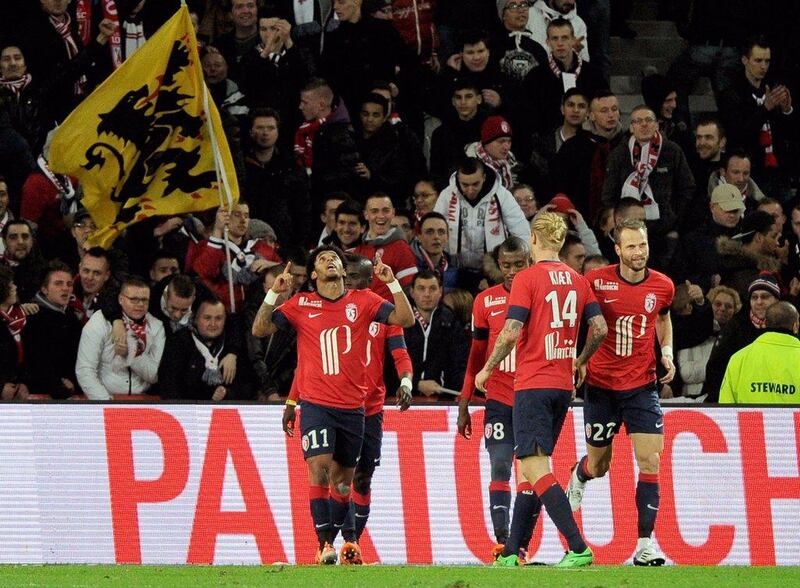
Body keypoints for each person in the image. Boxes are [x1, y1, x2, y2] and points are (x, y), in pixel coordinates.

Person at [251, 244, 414, 565]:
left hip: (356, 406)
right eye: (323, 259)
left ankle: (341, 538)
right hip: (316, 404)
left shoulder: (365, 301)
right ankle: (325, 545)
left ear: (344, 271)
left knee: (344, 483)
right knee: (319, 471)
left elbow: (404, 319)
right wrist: (274, 293)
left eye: (335, 259)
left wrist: (392, 283)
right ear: (313, 274)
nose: (331, 262)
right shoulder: (301, 303)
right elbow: (260, 329)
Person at [480, 211, 607, 568]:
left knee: (534, 468)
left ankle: (577, 545)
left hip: (533, 383)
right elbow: (598, 329)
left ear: (534, 240)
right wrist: (580, 360)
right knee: (530, 471)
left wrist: (488, 369)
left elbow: (511, 330)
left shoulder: (527, 278)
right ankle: (511, 553)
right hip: (562, 386)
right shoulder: (578, 281)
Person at [566, 218, 676, 567]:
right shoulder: (596, 282)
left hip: (642, 386)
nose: (638, 252)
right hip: (601, 386)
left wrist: (667, 352)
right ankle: (580, 473)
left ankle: (645, 545)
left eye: (642, 245)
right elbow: (577, 320)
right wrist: (577, 359)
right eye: (631, 246)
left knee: (650, 460)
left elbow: (662, 317)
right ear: (617, 250)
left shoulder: (663, 286)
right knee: (600, 466)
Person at [295, 254, 413, 562]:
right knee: (330, 474)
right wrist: (293, 399)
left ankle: (345, 541)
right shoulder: (333, 309)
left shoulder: (374, 309)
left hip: (370, 408)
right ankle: (342, 542)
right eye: (347, 278)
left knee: (360, 479)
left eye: (357, 279)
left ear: (368, 282)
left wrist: (406, 381)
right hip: (334, 402)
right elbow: (309, 361)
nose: (350, 284)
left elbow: (400, 354)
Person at [458, 236, 532, 559]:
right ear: (498, 265)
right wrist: (464, 403)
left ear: (529, 262)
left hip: (534, 398)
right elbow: (476, 356)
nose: (513, 271)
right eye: (507, 265)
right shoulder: (485, 302)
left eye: (519, 264)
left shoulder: (541, 297)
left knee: (532, 474)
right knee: (500, 465)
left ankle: (522, 542)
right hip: (499, 398)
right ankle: (503, 541)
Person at [434, 158, 530, 292]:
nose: (470, 189)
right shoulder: (447, 195)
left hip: (492, 271)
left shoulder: (501, 195)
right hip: (455, 267)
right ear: (458, 179)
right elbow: (435, 227)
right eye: (465, 185)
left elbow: (522, 232)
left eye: (475, 184)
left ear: (484, 177)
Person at [76, 276, 166, 400]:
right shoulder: (99, 322)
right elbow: (85, 370)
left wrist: (132, 353)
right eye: (134, 299)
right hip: (105, 397)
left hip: (141, 400)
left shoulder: (156, 326)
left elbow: (154, 375)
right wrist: (106, 403)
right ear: (121, 299)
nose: (140, 304)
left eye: (144, 300)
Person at [702, 273, 781, 402]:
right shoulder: (735, 327)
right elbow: (715, 368)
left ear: (777, 300)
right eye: (754, 297)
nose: (759, 302)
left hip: (777, 402)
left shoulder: (787, 326)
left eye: (765, 297)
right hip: (739, 403)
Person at [190, 203, 282, 312]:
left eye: (246, 216)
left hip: (253, 314)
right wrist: (218, 230)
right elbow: (206, 271)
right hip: (221, 315)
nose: (243, 220)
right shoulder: (207, 246)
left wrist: (271, 264)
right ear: (225, 217)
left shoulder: (260, 248)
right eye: (237, 215)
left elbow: (286, 272)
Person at [244, 108, 311, 247]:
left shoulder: (292, 167)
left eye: (270, 128)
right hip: (246, 240)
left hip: (284, 243)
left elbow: (302, 210)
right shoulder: (241, 166)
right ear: (251, 131)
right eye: (260, 127)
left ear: (278, 132)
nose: (265, 133)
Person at [159, 298, 247, 401]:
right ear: (195, 319)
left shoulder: (232, 346)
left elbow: (247, 386)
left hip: (225, 413)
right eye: (207, 318)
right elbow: (168, 385)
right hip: (187, 411)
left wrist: (226, 393)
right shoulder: (178, 342)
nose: (213, 324)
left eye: (218, 318)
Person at [403, 270, 468, 399]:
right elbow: (389, 364)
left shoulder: (452, 323)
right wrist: (416, 384)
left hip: (442, 398)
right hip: (402, 396)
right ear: (412, 292)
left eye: (432, 289)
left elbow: (459, 365)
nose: (427, 294)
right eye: (421, 289)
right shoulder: (399, 321)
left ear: (440, 292)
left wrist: (451, 393)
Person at [20, 261, 81, 399]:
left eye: (69, 284)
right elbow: (37, 363)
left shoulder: (73, 317)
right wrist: (60, 385)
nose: (65, 288)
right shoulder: (32, 319)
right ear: (44, 289)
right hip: (43, 395)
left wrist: (72, 382)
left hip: (71, 391)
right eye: (58, 283)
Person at [719, 301, 800, 404]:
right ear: (795, 326)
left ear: (765, 323)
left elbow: (725, 407)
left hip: (750, 420)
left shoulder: (739, 358)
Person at [295, 78, 359, 201]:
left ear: (321, 105)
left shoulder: (342, 135)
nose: (300, 107)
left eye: (305, 102)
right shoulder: (307, 129)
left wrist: (310, 179)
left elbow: (345, 177)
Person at [678, 285, 740, 400]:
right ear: (709, 305)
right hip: (687, 400)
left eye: (728, 306)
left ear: (735, 310)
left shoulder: (737, 338)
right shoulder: (694, 331)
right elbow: (685, 373)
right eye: (717, 304)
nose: (722, 308)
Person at [353, 193, 418, 299]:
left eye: (386, 210)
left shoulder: (401, 249)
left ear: (393, 213)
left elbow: (410, 290)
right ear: (366, 215)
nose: (381, 216)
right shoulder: (359, 250)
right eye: (374, 211)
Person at [465, 116, 519, 189]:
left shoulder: (513, 163)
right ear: (486, 142)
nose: (506, 147)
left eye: (509, 141)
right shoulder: (467, 166)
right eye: (501, 141)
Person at [0, 219, 46, 303]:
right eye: (13, 237)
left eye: (25, 236)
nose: (20, 242)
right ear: (4, 241)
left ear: (32, 241)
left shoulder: (46, 273)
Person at [410, 212, 459, 291]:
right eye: (429, 232)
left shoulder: (455, 269)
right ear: (419, 236)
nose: (436, 237)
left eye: (441, 232)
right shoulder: (409, 267)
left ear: (447, 237)